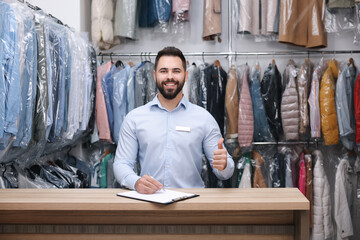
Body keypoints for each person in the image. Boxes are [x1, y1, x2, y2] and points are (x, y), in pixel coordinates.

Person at [113, 46, 234, 194]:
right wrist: (136, 182)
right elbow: (121, 164)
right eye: (164, 71)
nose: (170, 77)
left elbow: (225, 171)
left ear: (186, 75)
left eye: (176, 71)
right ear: (154, 75)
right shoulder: (134, 119)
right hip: (150, 204)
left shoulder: (204, 119)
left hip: (191, 205)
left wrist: (224, 165)